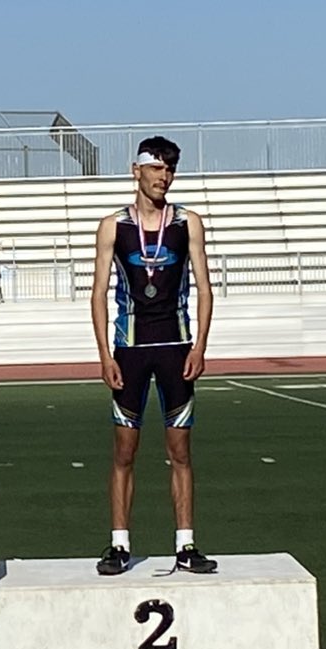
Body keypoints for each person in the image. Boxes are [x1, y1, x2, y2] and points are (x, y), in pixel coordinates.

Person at [90, 136, 217, 576]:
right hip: (129, 349)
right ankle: (119, 544)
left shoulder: (187, 222)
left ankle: (186, 544)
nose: (165, 177)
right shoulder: (112, 226)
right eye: (158, 168)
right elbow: (98, 293)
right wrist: (105, 355)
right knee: (124, 451)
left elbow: (205, 288)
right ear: (137, 170)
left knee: (180, 450)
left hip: (176, 348)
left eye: (171, 170)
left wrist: (200, 346)